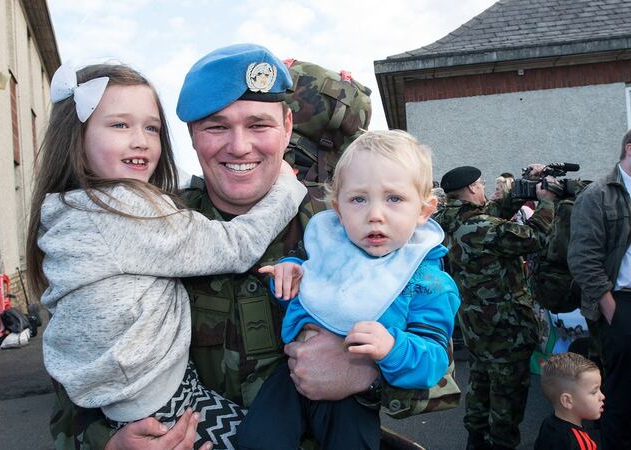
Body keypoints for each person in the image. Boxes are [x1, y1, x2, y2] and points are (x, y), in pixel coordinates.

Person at [46, 43, 381, 450]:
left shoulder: (350, 224)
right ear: (191, 135)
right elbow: (75, 379)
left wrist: (366, 372)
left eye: (259, 125)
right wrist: (109, 443)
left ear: (288, 127)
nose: (239, 146)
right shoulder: (142, 224)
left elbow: (432, 340)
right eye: (217, 127)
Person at [236, 130, 460, 450]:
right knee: (256, 440)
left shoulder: (428, 284)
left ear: (424, 211)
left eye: (394, 198)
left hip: (352, 402)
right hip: (291, 377)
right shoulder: (332, 251)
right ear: (338, 211)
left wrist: (392, 348)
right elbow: (307, 300)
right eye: (358, 199)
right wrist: (288, 275)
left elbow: (433, 362)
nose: (375, 215)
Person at [434, 165, 556, 450]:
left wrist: (522, 189)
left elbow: (491, 211)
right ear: (473, 188)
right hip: (505, 326)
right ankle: (500, 444)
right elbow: (536, 237)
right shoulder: (484, 227)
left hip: (476, 324)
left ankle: (475, 441)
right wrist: (548, 201)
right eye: (482, 184)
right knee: (507, 395)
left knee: (481, 382)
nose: (486, 189)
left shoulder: (448, 218)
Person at [568, 129, 631, 450]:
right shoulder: (597, 195)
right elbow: (582, 259)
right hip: (620, 304)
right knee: (620, 396)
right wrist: (612, 311)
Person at [534, 352, 602, 450]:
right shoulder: (582, 443)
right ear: (567, 401)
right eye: (594, 392)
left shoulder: (547, 424)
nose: (602, 396)